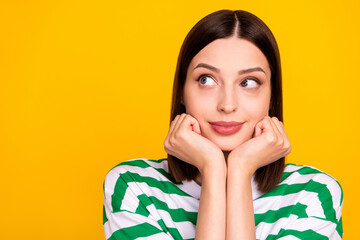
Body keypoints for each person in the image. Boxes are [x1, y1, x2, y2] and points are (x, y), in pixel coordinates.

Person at [103, 10, 343, 240]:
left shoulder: (312, 195)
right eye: (206, 80)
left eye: (248, 82)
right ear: (181, 93)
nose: (227, 105)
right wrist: (213, 168)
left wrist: (239, 169)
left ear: (272, 98)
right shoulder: (135, 188)